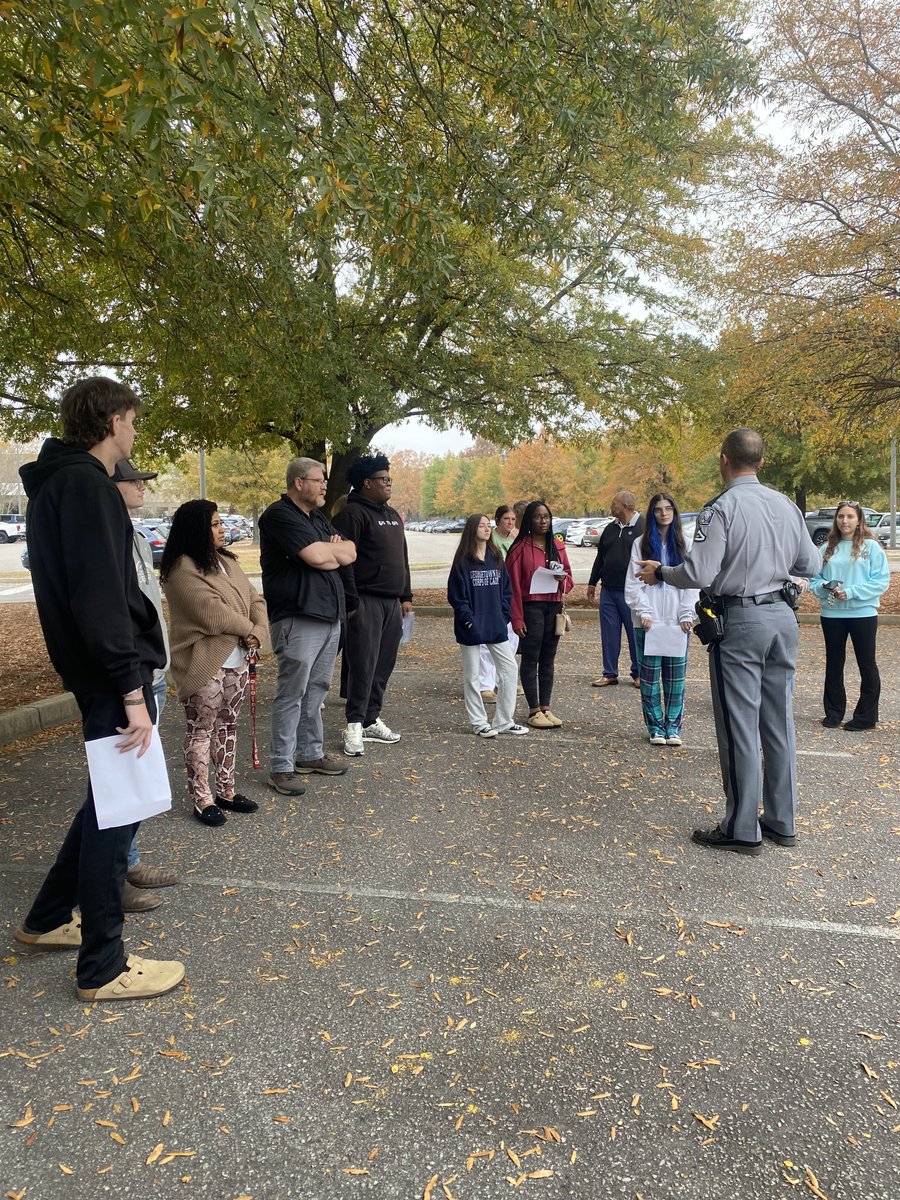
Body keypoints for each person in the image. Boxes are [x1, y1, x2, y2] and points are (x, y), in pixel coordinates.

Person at [15, 376, 184, 1002]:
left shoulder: (63, 485)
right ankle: (103, 966)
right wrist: (132, 692)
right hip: (114, 678)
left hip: (101, 673)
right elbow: (102, 601)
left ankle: (47, 918)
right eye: (133, 420)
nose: (135, 431)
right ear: (113, 420)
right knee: (121, 811)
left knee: (108, 804)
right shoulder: (87, 486)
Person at [635, 428, 820, 856]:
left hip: (741, 620)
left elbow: (698, 573)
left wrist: (660, 573)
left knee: (739, 725)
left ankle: (741, 827)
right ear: (761, 461)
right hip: (781, 617)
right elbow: (809, 562)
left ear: (724, 459)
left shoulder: (721, 508)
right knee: (778, 721)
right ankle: (781, 819)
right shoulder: (785, 504)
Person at [160, 501, 267, 826]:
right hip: (203, 664)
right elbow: (211, 611)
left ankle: (226, 791)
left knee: (228, 727)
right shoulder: (182, 569)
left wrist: (259, 631)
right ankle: (201, 798)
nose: (223, 529)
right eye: (216, 524)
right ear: (196, 529)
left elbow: (254, 599)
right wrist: (249, 629)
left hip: (237, 660)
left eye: (221, 523)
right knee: (201, 730)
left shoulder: (226, 562)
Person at [259, 457, 357, 795]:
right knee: (292, 693)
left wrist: (335, 551)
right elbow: (318, 557)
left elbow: (351, 552)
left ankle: (310, 754)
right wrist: (330, 553)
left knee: (317, 691)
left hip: (329, 616)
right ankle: (281, 766)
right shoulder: (279, 516)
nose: (324, 486)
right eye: (318, 480)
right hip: (298, 617)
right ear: (298, 482)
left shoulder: (315, 517)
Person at [113, 457, 180, 911]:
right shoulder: (106, 535)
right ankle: (111, 877)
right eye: (133, 480)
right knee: (119, 781)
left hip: (151, 673)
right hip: (129, 678)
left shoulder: (136, 534)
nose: (141, 487)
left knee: (137, 780)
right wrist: (131, 684)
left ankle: (128, 860)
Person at [332, 454, 413, 756]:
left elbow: (401, 557)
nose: (389, 483)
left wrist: (406, 595)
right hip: (364, 600)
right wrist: (352, 602)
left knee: (383, 664)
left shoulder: (391, 514)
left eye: (390, 479)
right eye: (383, 479)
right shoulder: (352, 515)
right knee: (363, 664)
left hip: (391, 602)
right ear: (366, 483)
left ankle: (370, 719)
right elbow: (342, 563)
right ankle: (353, 724)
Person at [624, 493, 699, 745]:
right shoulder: (640, 544)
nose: (664, 513)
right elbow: (633, 584)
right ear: (652, 513)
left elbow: (693, 583)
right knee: (649, 677)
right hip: (649, 622)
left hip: (678, 622)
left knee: (675, 678)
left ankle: (673, 726)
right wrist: (644, 611)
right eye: (658, 509)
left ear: (675, 513)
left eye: (668, 509)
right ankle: (655, 726)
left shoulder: (686, 544)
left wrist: (688, 612)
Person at [809, 502, 890, 731]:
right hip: (832, 614)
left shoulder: (871, 548)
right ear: (836, 520)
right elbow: (813, 579)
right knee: (834, 663)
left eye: (850, 517)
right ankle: (834, 712)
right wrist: (825, 585)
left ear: (859, 519)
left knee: (867, 664)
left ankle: (866, 716)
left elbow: (881, 581)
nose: (845, 521)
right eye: (841, 516)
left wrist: (852, 592)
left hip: (863, 613)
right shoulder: (826, 548)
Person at [448, 514, 529, 738]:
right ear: (472, 529)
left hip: (495, 623)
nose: (486, 529)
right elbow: (456, 597)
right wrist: (468, 620)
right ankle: (479, 722)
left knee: (509, 670)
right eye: (481, 525)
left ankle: (504, 721)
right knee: (473, 676)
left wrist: (504, 614)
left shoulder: (496, 557)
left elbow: (506, 589)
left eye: (488, 525)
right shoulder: (462, 561)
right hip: (470, 626)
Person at [505, 500, 574, 728]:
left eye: (546, 517)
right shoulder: (519, 549)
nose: (543, 521)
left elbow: (570, 580)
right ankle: (534, 710)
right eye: (538, 517)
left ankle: (546, 707)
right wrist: (516, 617)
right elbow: (511, 587)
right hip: (531, 608)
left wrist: (562, 580)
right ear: (529, 520)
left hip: (553, 608)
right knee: (531, 658)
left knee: (548, 660)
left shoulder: (557, 547)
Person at [587, 491, 644, 688]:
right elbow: (600, 557)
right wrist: (593, 582)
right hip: (609, 590)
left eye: (614, 503)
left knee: (634, 632)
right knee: (609, 634)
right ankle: (609, 672)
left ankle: (639, 673)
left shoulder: (643, 527)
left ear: (625, 506)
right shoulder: (610, 529)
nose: (611, 506)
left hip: (632, 590)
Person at [479, 504, 519, 702]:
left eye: (513, 519)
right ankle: (485, 685)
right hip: (492, 591)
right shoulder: (490, 540)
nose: (510, 523)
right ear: (498, 520)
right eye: (506, 519)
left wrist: (516, 542)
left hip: (512, 592)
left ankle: (504, 679)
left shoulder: (516, 540)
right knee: (489, 640)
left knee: (512, 637)